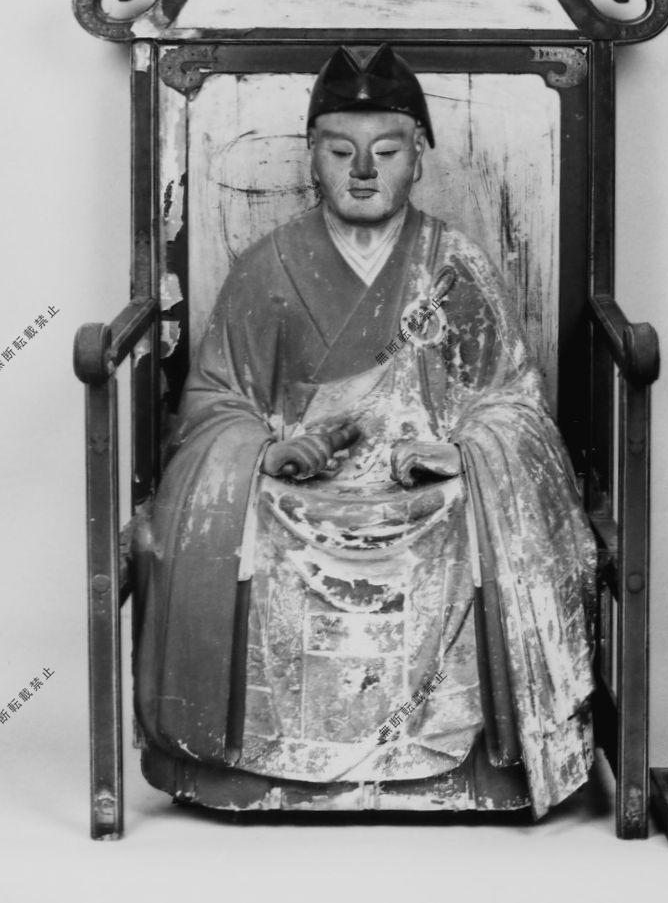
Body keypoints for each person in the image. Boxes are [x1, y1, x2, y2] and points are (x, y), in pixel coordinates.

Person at [132, 44, 596, 817]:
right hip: (300, 493)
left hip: (427, 493)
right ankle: (268, 762)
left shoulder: (455, 265)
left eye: (386, 151)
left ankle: (458, 766)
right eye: (339, 150)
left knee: (472, 519)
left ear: (419, 159)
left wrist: (462, 451)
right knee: (243, 522)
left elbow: (510, 399)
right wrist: (268, 448)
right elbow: (215, 398)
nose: (362, 171)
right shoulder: (268, 266)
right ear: (311, 160)